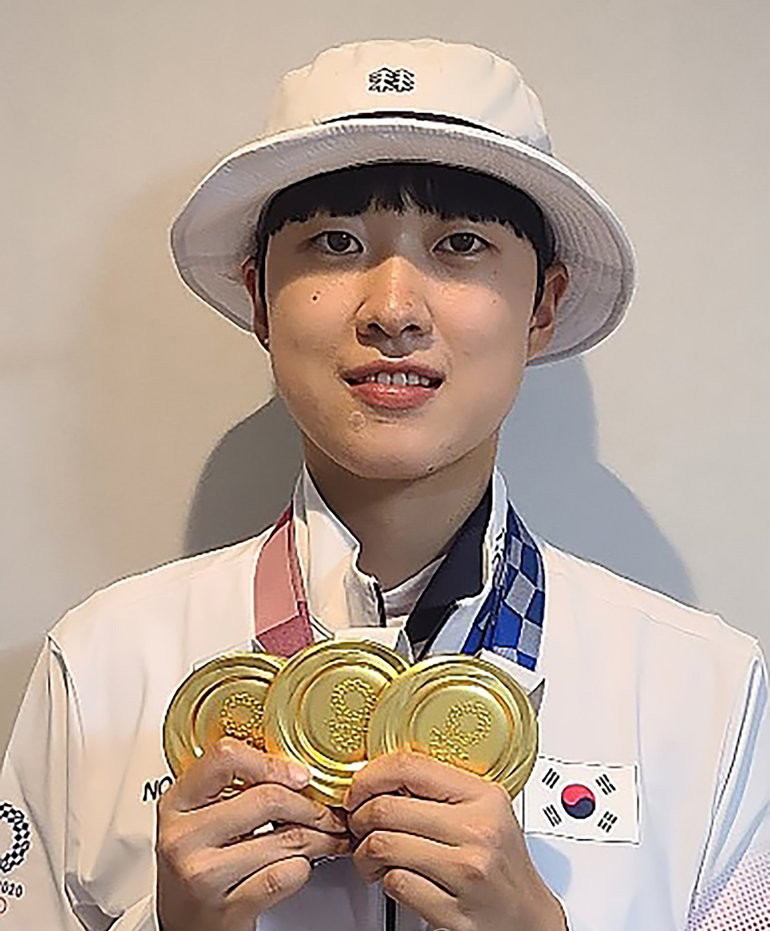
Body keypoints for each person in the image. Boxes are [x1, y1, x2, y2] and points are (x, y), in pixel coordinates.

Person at [0, 37, 768, 931]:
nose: (393, 310)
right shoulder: (99, 667)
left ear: (543, 305)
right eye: (335, 242)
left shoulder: (704, 692)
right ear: (259, 299)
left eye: (461, 243)